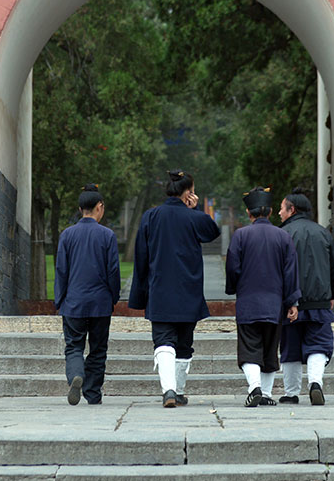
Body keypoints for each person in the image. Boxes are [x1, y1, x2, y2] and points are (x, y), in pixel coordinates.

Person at [128, 169, 220, 407]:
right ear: (189, 192)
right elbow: (212, 232)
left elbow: (141, 256)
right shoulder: (194, 218)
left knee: (163, 340)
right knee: (183, 343)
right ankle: (177, 390)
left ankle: (168, 390)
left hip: (159, 289)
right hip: (188, 290)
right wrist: (196, 209)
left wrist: (139, 294)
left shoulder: (151, 216)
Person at [225, 186, 301, 407]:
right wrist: (292, 301)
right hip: (275, 304)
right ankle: (266, 394)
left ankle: (255, 388)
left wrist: (234, 288)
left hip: (248, 302)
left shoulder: (240, 235)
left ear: (249, 213)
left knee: (249, 349)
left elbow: (233, 268)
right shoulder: (283, 236)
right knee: (270, 350)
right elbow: (290, 272)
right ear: (269, 212)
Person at [54, 184, 120, 406]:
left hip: (73, 302)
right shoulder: (107, 235)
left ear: (80, 208)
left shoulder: (67, 235)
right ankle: (93, 394)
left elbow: (61, 270)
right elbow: (113, 271)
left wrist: (60, 299)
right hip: (100, 302)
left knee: (74, 346)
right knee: (98, 349)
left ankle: (75, 376)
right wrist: (113, 296)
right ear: (99, 206)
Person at [278, 188, 334, 406]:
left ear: (292, 209)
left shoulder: (283, 234)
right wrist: (333, 293)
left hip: (290, 301)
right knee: (318, 344)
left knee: (290, 347)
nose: (279, 213)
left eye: (282, 208)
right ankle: (315, 383)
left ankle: (291, 393)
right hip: (320, 300)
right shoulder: (323, 232)